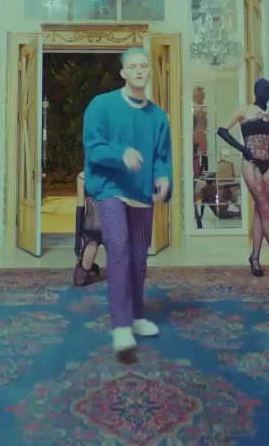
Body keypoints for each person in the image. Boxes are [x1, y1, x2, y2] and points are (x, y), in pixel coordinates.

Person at [82, 47, 172, 360]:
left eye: (143, 66)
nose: (138, 71)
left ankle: (136, 316)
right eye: (132, 66)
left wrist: (163, 178)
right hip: (110, 187)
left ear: (149, 72)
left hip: (141, 192)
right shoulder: (102, 105)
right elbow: (93, 147)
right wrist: (119, 153)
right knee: (118, 245)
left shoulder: (158, 117)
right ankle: (121, 325)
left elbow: (161, 157)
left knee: (138, 255)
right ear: (122, 72)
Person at [218, 78, 269, 279]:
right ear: (255, 91)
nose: (264, 92)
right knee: (265, 208)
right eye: (261, 89)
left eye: (268, 90)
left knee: (260, 208)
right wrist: (243, 149)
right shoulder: (244, 110)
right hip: (251, 163)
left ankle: (255, 257)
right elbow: (222, 130)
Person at [73, 172, 104, 287]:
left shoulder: (116, 172)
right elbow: (80, 207)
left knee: (123, 280)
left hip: (113, 230)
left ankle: (89, 264)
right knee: (79, 281)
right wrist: (78, 236)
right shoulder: (82, 176)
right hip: (92, 231)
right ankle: (88, 265)